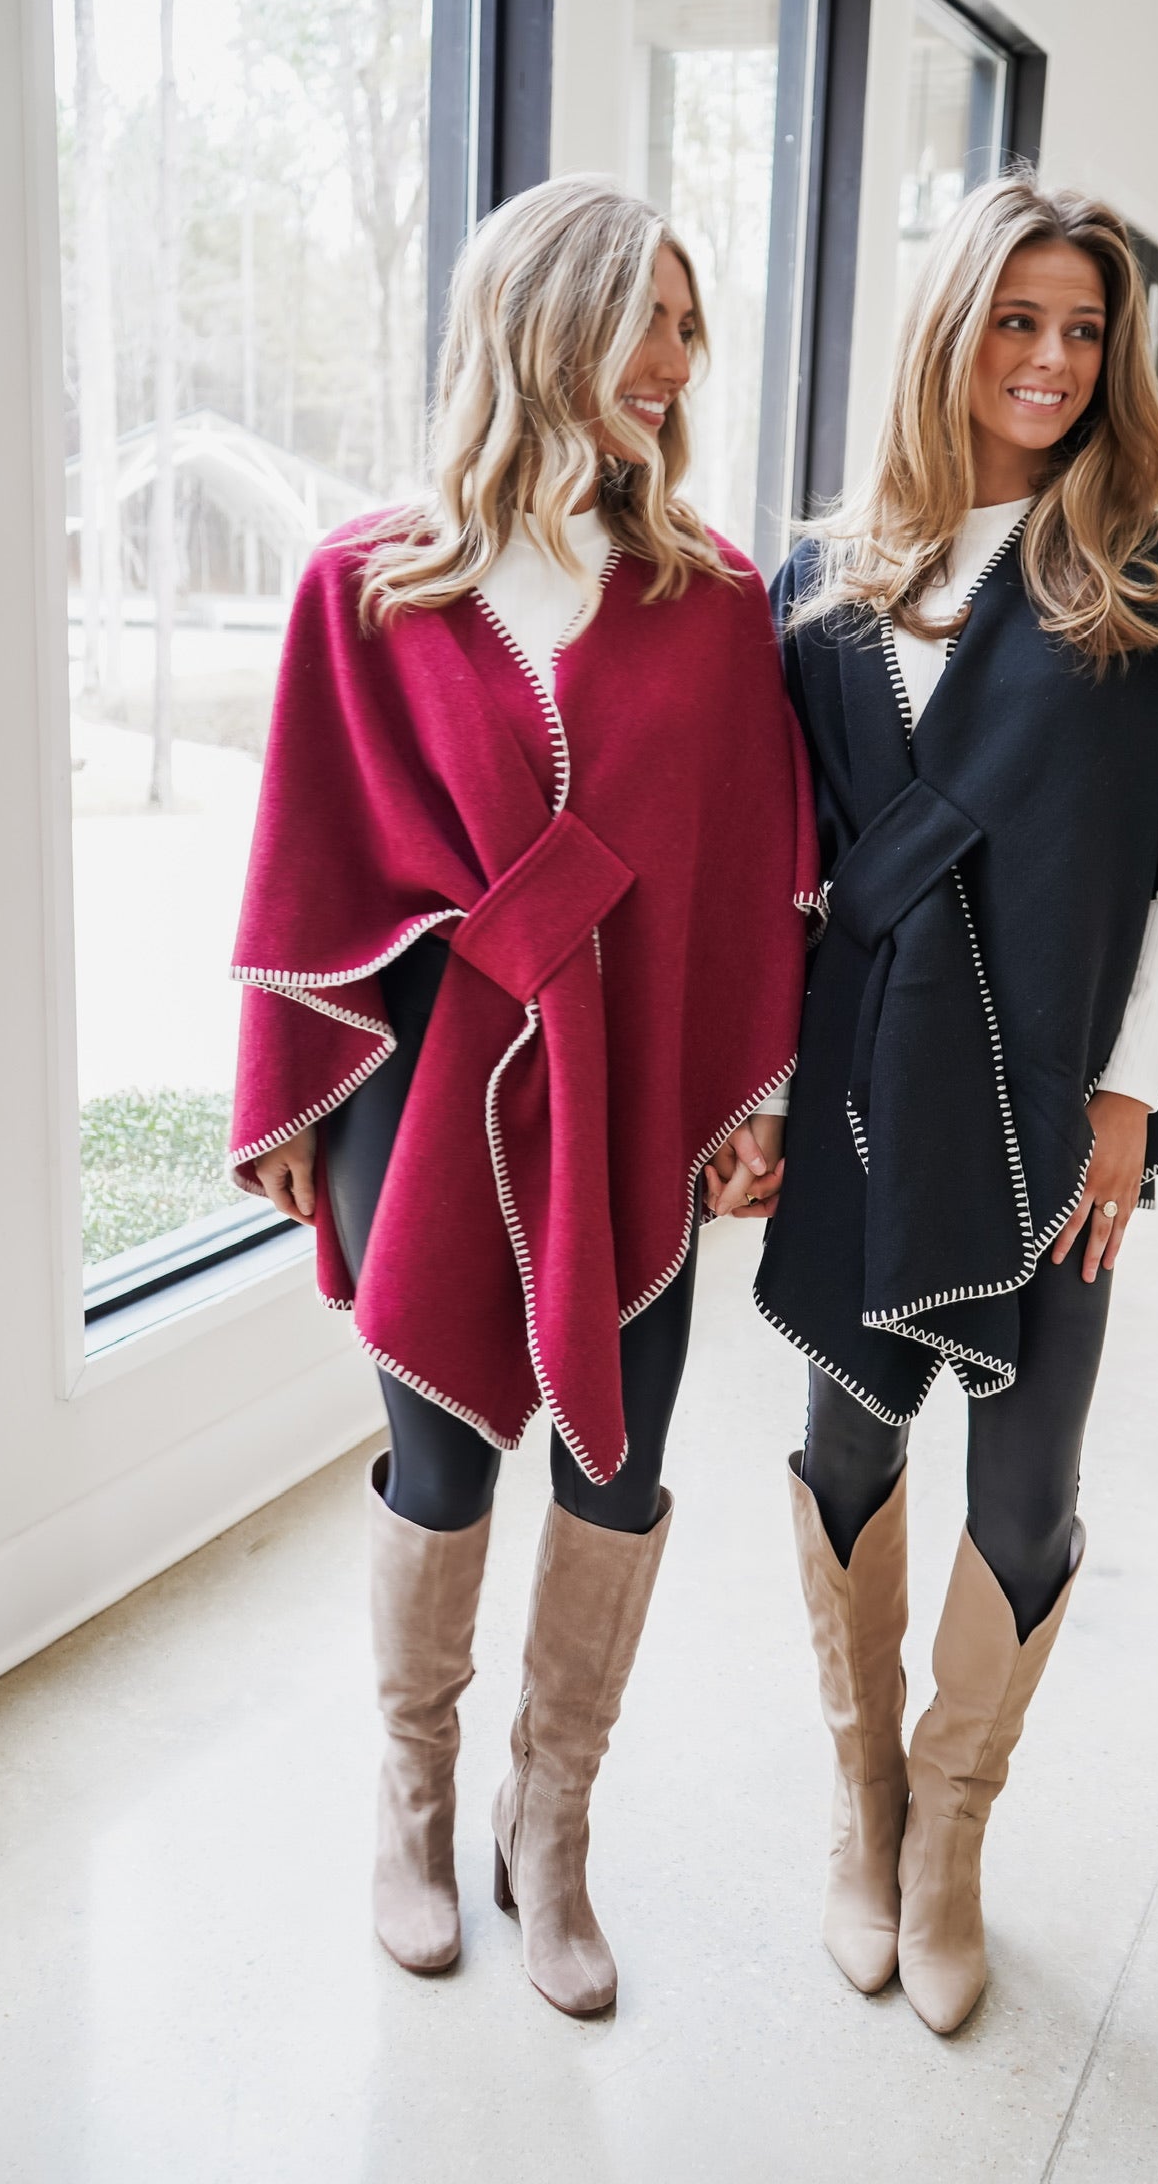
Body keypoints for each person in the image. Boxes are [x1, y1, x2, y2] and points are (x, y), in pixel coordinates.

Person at [228, 176, 815, 2014]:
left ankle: (548, 1824)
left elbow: (751, 871)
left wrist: (756, 1096)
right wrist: (296, 1107)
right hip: (424, 1092)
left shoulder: (714, 601)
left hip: (632, 1089)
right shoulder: (366, 587)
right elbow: (304, 866)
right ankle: (414, 1801)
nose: (674, 361)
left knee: (619, 1460)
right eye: (645, 318)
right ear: (542, 316)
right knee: (435, 1459)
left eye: (688, 328)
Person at [752, 177, 1158, 2035]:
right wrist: (765, 1097)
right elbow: (780, 871)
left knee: (1031, 1475)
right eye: (1020, 320)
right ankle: (865, 1809)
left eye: (1086, 330)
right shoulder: (824, 581)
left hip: (1055, 1100)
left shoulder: (1152, 576)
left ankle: (952, 1837)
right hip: (858, 1090)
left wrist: (1132, 1097)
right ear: (951, 327)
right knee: (847, 1443)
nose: (1054, 361)